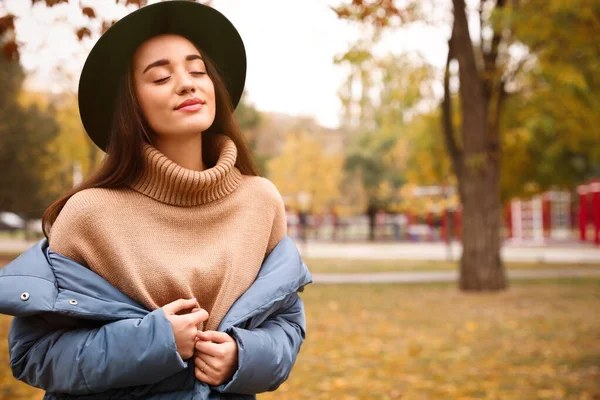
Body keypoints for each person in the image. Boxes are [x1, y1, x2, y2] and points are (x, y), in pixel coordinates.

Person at [0, 1, 311, 399]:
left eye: (197, 70)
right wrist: (152, 341)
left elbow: (286, 326)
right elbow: (34, 353)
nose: (187, 83)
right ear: (131, 104)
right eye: (161, 77)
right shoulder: (88, 213)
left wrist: (242, 357)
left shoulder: (261, 201)